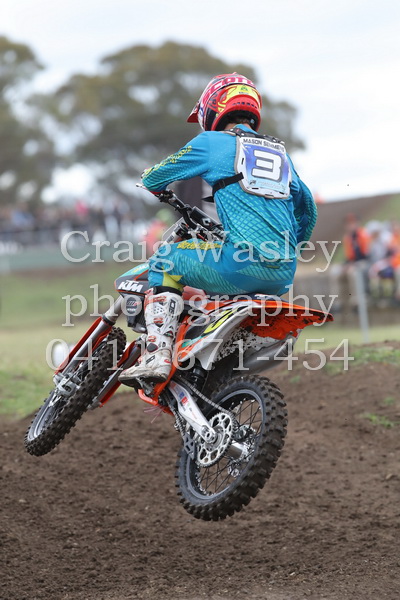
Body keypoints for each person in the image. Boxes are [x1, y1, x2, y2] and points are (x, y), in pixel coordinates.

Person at [119, 73, 317, 387]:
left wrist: (151, 181)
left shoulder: (212, 142)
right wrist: (290, 250)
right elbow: (308, 211)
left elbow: (155, 178)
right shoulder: (281, 154)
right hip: (283, 273)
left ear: (213, 108)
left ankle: (157, 354)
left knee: (165, 261)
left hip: (241, 263)